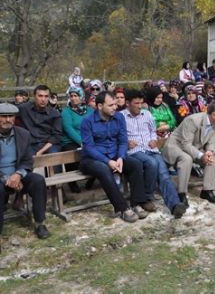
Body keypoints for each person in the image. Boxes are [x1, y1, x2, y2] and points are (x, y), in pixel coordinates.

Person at [80, 91, 148, 222]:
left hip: (115, 157)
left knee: (136, 164)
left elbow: (123, 141)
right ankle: (122, 209)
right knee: (104, 169)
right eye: (111, 105)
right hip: (92, 159)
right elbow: (89, 148)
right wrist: (107, 161)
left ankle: (136, 204)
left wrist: (121, 157)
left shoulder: (119, 117)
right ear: (100, 106)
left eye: (115, 104)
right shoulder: (87, 122)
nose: (115, 108)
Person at [121, 90, 186, 218]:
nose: (139, 106)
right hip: (135, 151)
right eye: (136, 103)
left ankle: (174, 205)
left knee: (164, 174)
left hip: (151, 148)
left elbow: (152, 131)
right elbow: (117, 135)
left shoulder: (147, 114)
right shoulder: (121, 117)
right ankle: (147, 198)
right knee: (151, 163)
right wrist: (126, 142)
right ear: (128, 103)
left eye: (141, 103)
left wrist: (153, 139)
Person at [0, 103, 50, 239]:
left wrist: (18, 175)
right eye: (3, 116)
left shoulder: (23, 134)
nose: (8, 120)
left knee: (38, 180)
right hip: (1, 178)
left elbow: (28, 160)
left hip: (17, 175)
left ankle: (40, 223)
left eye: (11, 116)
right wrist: (7, 179)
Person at [162, 102, 215, 206]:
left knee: (211, 157)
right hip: (175, 146)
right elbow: (185, 144)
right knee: (187, 159)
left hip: (193, 148)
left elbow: (211, 143)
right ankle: (181, 193)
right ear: (214, 115)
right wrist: (201, 155)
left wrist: (209, 152)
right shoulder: (193, 120)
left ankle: (207, 191)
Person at [61, 87, 94, 193]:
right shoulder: (66, 111)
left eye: (76, 96)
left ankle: (92, 178)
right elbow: (68, 129)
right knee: (73, 153)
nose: (73, 98)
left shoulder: (89, 110)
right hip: (71, 140)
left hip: (88, 139)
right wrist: (82, 142)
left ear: (81, 96)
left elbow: (94, 125)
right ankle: (72, 183)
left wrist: (90, 140)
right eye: (71, 96)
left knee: (100, 152)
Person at [17, 85, 63, 156]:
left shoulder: (55, 114)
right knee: (24, 160)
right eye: (40, 96)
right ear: (34, 96)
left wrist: (41, 151)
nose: (43, 99)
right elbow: (7, 113)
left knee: (54, 158)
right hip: (30, 144)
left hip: (49, 144)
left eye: (46, 96)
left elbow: (56, 136)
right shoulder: (24, 108)